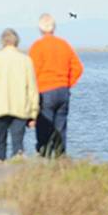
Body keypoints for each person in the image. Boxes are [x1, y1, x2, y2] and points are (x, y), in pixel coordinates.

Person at [29, 13, 83, 156]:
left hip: (45, 91)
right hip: (62, 91)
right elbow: (78, 68)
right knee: (60, 128)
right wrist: (67, 84)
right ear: (54, 28)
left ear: (40, 29)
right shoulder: (64, 45)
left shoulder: (37, 47)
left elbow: (31, 73)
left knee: (44, 128)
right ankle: (61, 159)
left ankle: (44, 158)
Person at [0, 28, 40, 161]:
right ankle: (17, 172)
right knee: (18, 144)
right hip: (20, 108)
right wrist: (34, 112)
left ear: (2, 41)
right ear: (17, 42)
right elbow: (32, 88)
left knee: (0, 142)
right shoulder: (25, 60)